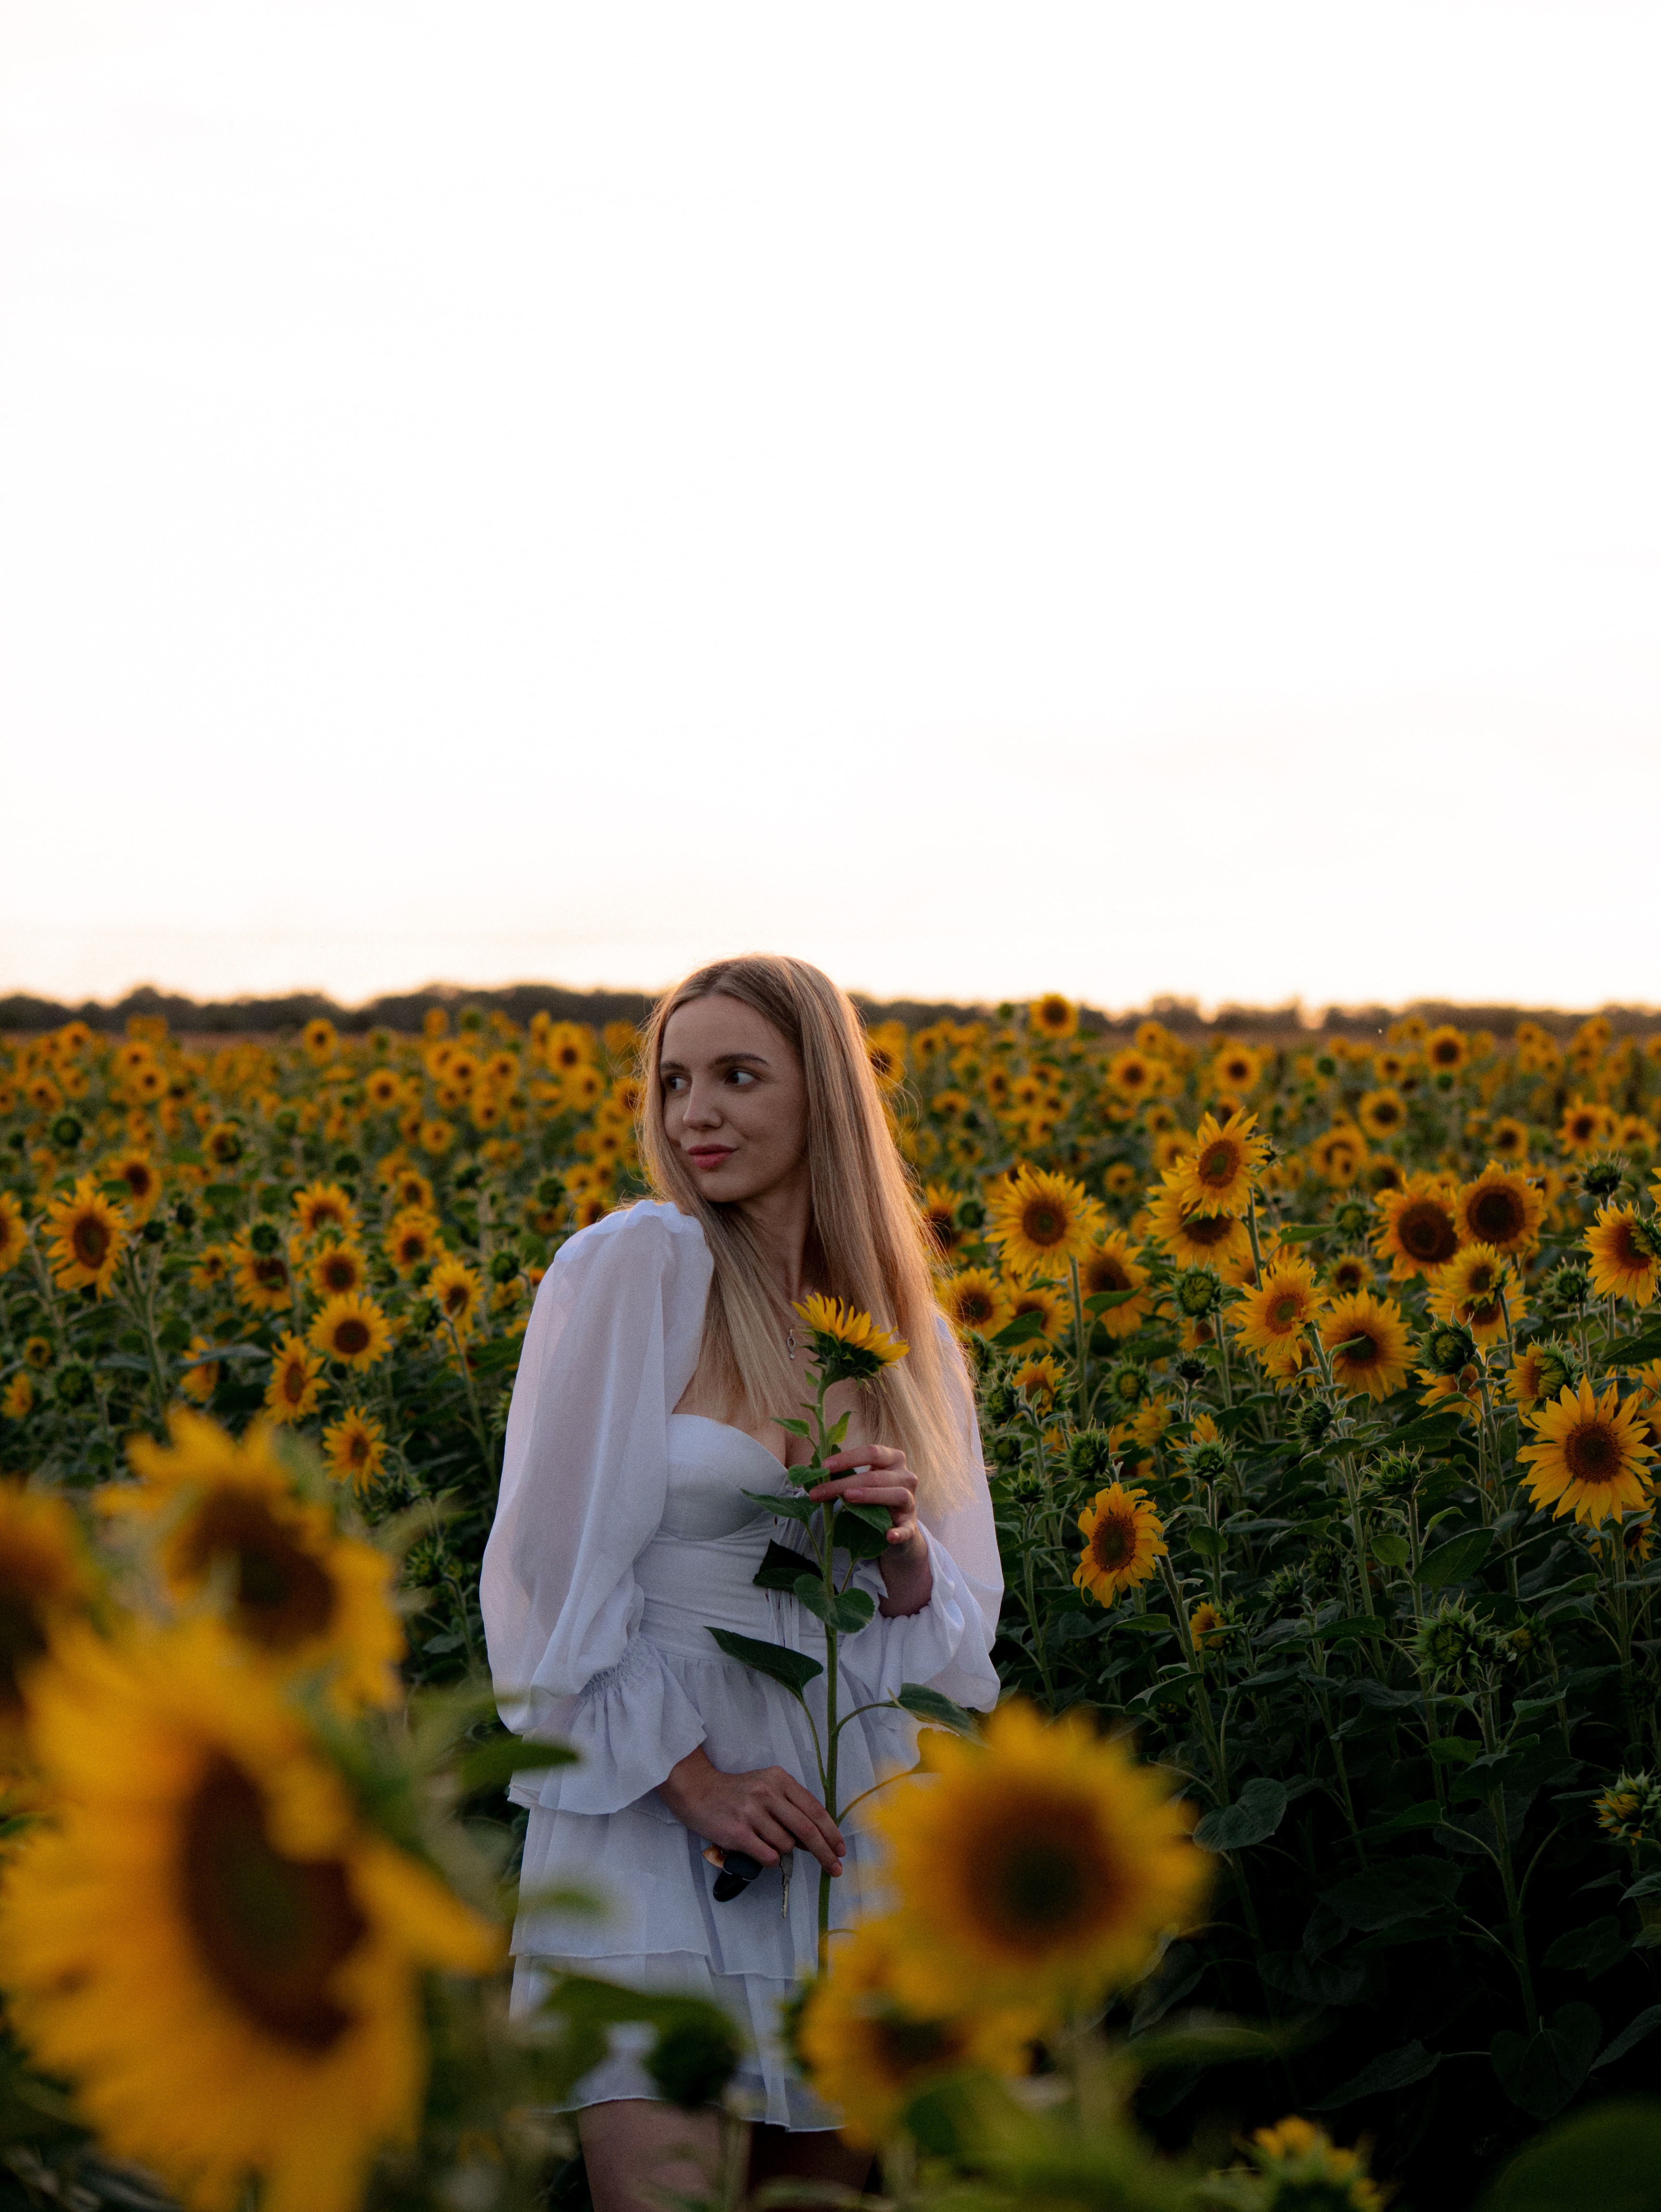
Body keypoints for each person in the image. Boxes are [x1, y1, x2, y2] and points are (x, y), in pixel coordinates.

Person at [481, 954, 1002, 2212]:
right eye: (672, 1081)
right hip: (652, 1825)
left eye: (736, 1076)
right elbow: (541, 1581)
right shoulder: (640, 1268)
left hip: (836, 1824)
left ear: (822, 1093)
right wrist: (693, 1780)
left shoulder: (903, 1329)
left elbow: (960, 1645)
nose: (692, 1114)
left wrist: (898, 1556)